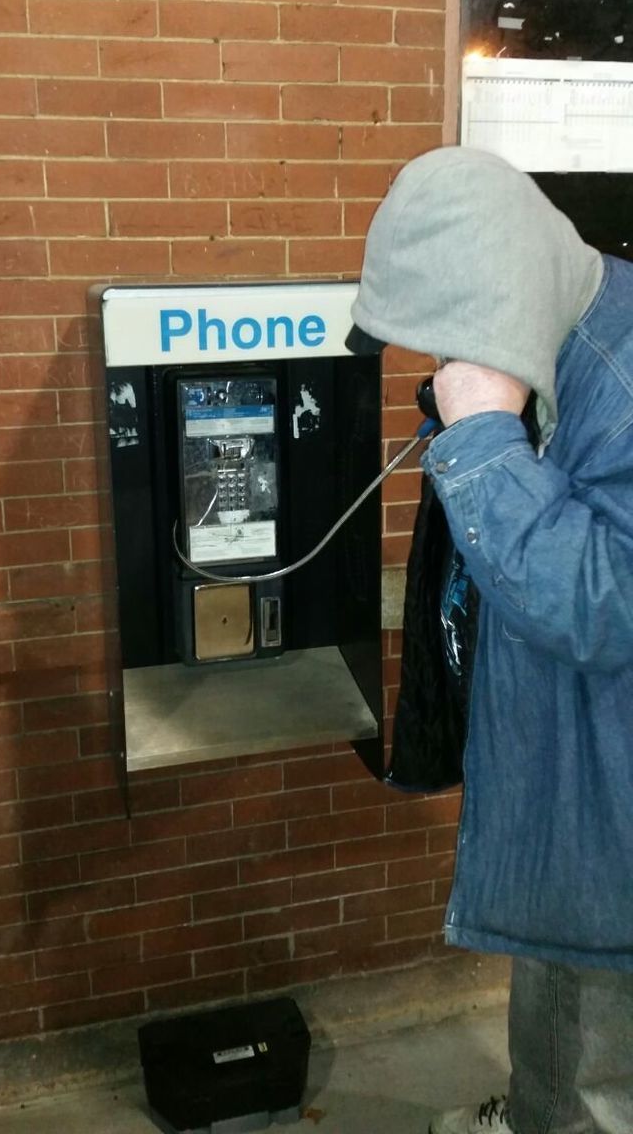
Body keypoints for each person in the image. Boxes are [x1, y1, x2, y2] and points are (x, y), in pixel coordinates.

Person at [346, 146, 633, 1134]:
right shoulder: (555, 333)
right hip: (565, 771)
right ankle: (538, 1109)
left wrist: (477, 441)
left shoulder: (623, 381)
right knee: (555, 980)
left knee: (604, 1039)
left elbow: (604, 601)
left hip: (615, 795)